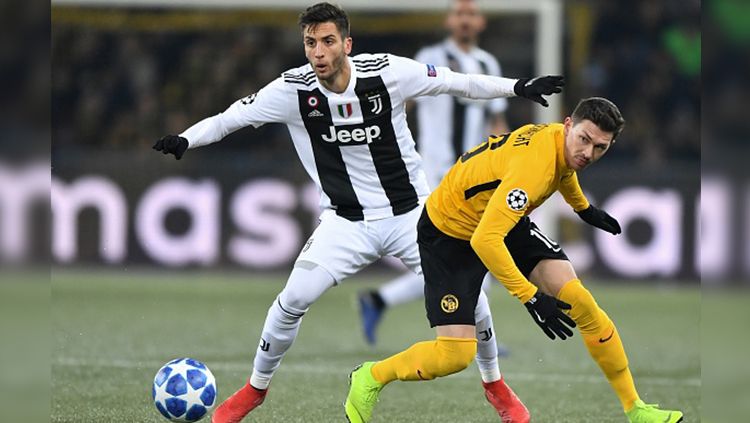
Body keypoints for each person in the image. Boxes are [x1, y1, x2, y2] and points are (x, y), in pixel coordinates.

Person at [153, 3, 563, 422]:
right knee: (291, 299)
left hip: (415, 217)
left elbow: (458, 83)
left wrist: (519, 86)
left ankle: (494, 385)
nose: (319, 52)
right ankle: (254, 390)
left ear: (347, 44)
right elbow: (231, 118)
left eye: (328, 41)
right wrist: (186, 140)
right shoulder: (291, 90)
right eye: (311, 43)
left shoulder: (388, 73)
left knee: (473, 299)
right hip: (344, 223)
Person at [344, 97, 684, 423]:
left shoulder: (556, 139)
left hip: (499, 216)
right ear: (569, 125)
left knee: (581, 301)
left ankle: (635, 408)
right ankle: (371, 376)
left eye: (600, 148)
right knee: (454, 356)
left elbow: (564, 169)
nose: (588, 153)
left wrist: (584, 209)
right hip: (450, 231)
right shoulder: (533, 168)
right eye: (584, 140)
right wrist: (532, 297)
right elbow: (485, 240)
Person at [357, 0, 512, 352]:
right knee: (469, 251)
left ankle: (379, 300)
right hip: (434, 173)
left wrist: (504, 164)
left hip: (475, 175)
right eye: (459, 13)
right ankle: (477, 335)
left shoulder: (489, 64)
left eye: (471, 14)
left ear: (481, 21)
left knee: (468, 252)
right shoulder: (430, 56)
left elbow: (497, 121)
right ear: (449, 20)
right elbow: (399, 103)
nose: (465, 20)